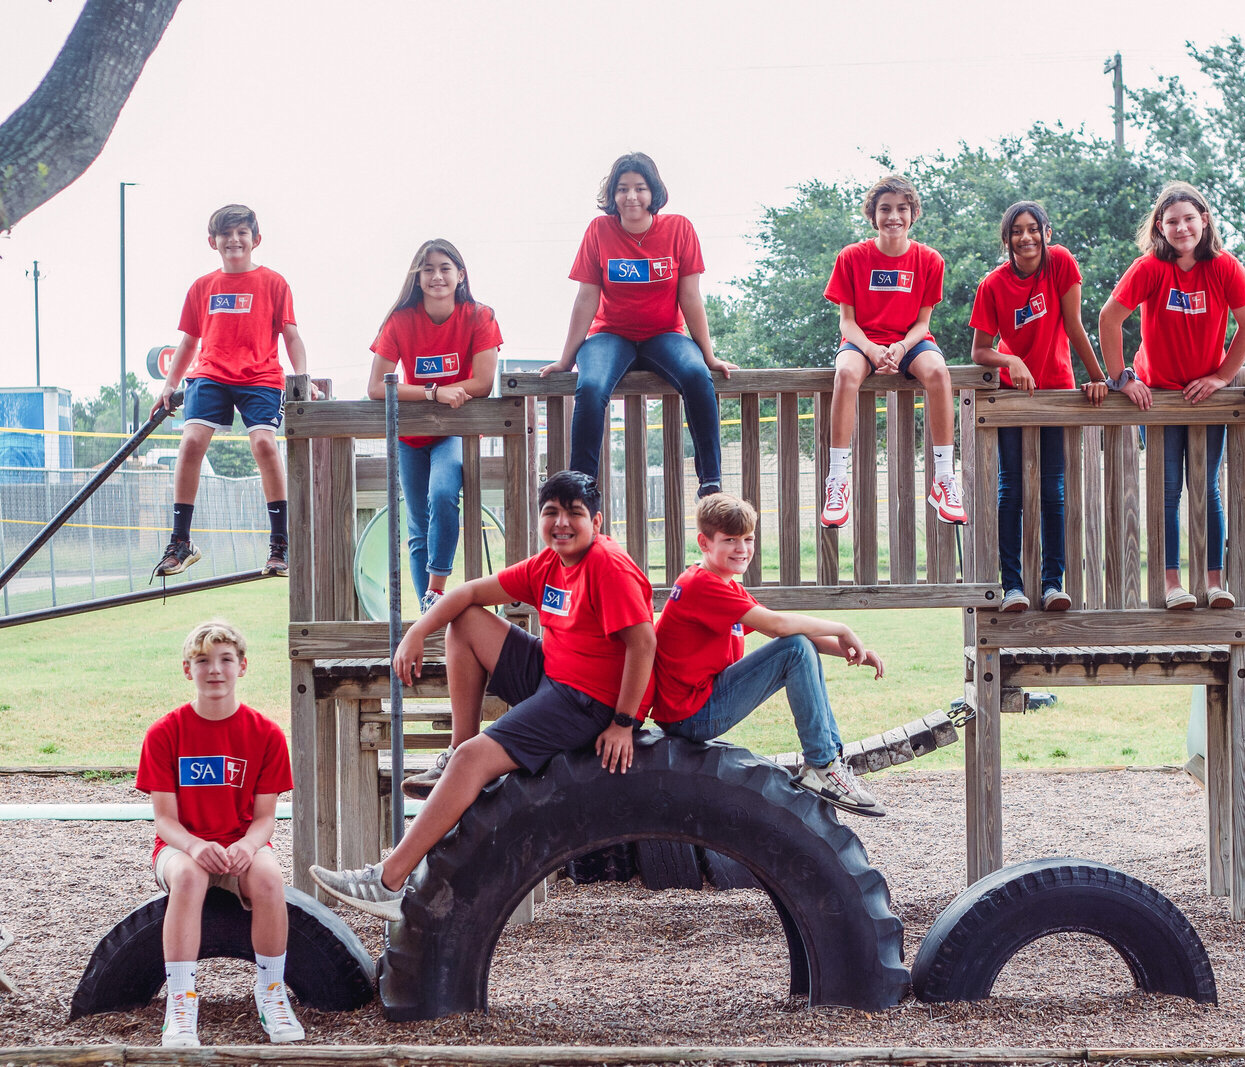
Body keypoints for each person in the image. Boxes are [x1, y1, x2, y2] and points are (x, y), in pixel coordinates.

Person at [311, 471, 654, 921]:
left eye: (575, 513)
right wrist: (416, 631)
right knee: (467, 620)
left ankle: (388, 881)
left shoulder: (607, 566)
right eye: (551, 512)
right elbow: (469, 592)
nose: (562, 523)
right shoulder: (549, 564)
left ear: (597, 521)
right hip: (555, 674)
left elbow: (643, 643)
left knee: (476, 759)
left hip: (589, 701)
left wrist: (623, 723)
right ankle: (455, 749)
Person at [652, 493, 887, 816]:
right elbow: (779, 627)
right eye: (730, 540)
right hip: (691, 714)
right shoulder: (701, 586)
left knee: (797, 646)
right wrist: (841, 628)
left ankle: (828, 762)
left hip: (697, 705)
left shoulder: (725, 585)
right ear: (704, 543)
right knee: (794, 649)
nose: (742, 549)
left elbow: (788, 632)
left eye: (748, 539)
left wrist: (849, 650)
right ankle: (822, 765)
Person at [134, 620, 301, 1047]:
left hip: (242, 843)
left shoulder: (265, 733)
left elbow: (266, 817)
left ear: (242, 667)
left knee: (268, 878)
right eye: (202, 660)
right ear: (186, 669)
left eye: (226, 660)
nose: (215, 670)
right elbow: (164, 822)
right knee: (189, 876)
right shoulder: (164, 733)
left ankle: (271, 993)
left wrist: (247, 845)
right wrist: (195, 845)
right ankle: (182, 1003)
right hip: (182, 847)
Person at [1098, 182, 1245, 610]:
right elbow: (1109, 319)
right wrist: (1121, 378)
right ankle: (1173, 584)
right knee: (1168, 491)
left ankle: (1214, 582)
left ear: (1204, 221)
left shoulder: (1225, 267)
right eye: (1172, 221)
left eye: (1190, 218)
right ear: (1160, 227)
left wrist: (1223, 376)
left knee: (1206, 488)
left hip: (1205, 398)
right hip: (1159, 397)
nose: (1182, 227)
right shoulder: (1149, 267)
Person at [542, 152, 734, 497]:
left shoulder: (679, 229)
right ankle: (581, 489)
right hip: (610, 336)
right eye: (622, 189)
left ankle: (710, 482)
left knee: (696, 375)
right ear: (612, 196)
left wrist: (709, 356)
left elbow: (690, 297)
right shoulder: (599, 231)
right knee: (591, 386)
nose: (631, 197)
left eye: (640, 188)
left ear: (653, 192)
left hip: (664, 335)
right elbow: (586, 299)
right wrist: (566, 359)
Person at [150, 204, 317, 580]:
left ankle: (280, 545)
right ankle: (180, 543)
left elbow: (292, 336)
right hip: (211, 373)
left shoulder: (274, 283)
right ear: (213, 242)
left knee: (263, 444)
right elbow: (189, 342)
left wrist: (302, 378)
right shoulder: (203, 287)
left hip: (260, 374)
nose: (234, 240)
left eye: (242, 232)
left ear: (256, 239)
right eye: (226, 234)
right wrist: (169, 385)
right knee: (191, 442)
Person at [969, 201, 1107, 612]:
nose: (1025, 237)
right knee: (1010, 490)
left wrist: (1099, 377)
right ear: (1007, 238)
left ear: (1046, 232)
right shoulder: (992, 285)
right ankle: (1012, 586)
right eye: (1016, 231)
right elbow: (979, 351)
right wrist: (1010, 359)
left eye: (1033, 229)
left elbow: (1074, 325)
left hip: (1057, 393)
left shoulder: (1060, 262)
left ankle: (1052, 585)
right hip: (1013, 397)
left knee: (1053, 491)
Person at [820, 175, 965, 529]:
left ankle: (944, 478)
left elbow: (922, 322)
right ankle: (837, 480)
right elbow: (846, 322)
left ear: (913, 213)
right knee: (846, 373)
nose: (893, 216)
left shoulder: (930, 260)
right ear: (873, 215)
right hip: (861, 340)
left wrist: (900, 347)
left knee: (938, 372)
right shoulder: (852, 257)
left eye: (902, 208)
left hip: (910, 342)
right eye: (885, 209)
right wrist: (871, 350)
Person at [367, 239, 502, 612]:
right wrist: (433, 392)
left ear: (461, 275)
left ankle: (436, 591)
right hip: (412, 436)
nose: (437, 276)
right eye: (428, 269)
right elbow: (376, 387)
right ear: (417, 277)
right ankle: (430, 614)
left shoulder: (479, 316)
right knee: (417, 529)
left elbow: (484, 382)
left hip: (454, 430)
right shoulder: (401, 320)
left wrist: (446, 393)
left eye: (445, 268)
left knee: (442, 493)